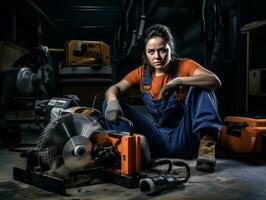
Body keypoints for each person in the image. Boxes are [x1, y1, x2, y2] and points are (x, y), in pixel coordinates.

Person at [103, 24, 222, 172]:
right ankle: (128, 151)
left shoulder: (184, 65)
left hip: (183, 137)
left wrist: (179, 81)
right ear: (145, 53)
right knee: (110, 102)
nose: (157, 57)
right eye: (151, 52)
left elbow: (214, 81)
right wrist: (113, 102)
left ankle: (207, 147)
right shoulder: (141, 73)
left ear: (170, 49)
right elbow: (113, 89)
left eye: (162, 50)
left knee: (202, 86)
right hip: (156, 139)